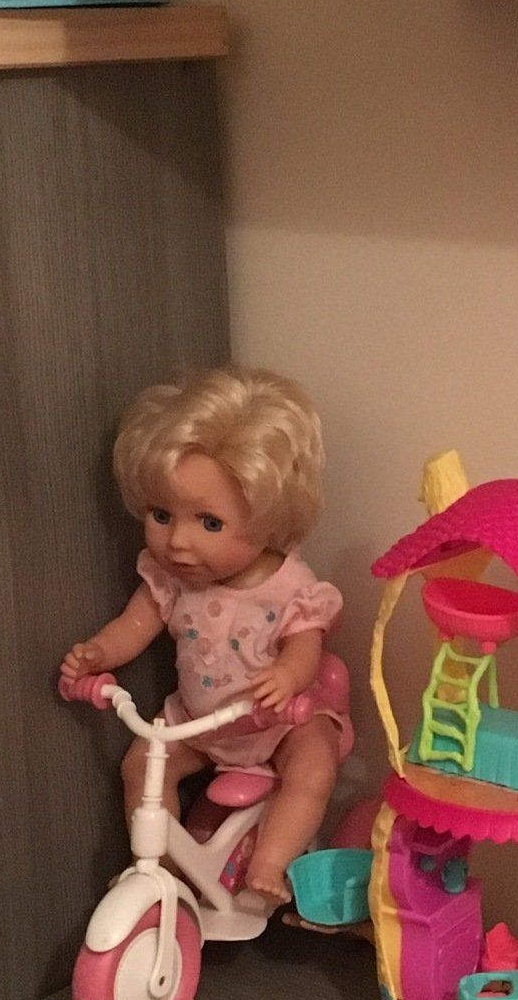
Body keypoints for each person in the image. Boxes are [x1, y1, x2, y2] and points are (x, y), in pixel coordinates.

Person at [61, 366, 352, 902]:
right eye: (161, 514)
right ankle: (160, 871)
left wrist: (287, 678)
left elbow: (305, 646)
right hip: (199, 722)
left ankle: (271, 861)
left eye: (209, 523)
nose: (177, 542)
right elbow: (135, 626)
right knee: (141, 764)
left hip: (275, 722)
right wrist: (98, 653)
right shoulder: (167, 577)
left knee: (313, 766)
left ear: (268, 518)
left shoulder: (289, 586)